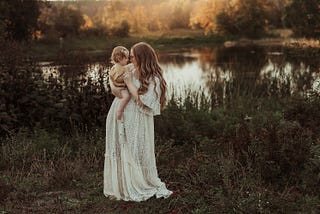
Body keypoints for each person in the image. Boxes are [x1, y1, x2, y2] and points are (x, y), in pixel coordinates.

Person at [104, 42, 173, 201]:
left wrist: (128, 84)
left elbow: (143, 101)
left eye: (133, 57)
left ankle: (138, 183)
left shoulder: (154, 78)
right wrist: (118, 88)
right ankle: (119, 186)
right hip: (120, 115)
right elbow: (113, 84)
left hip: (138, 118)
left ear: (142, 58)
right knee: (121, 149)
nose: (129, 60)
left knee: (136, 150)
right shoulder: (130, 69)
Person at [109, 46, 137, 120]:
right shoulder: (118, 68)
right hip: (120, 88)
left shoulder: (119, 66)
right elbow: (117, 78)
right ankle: (119, 111)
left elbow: (127, 68)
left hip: (119, 87)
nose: (128, 60)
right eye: (126, 58)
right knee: (127, 96)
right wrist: (127, 77)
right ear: (119, 59)